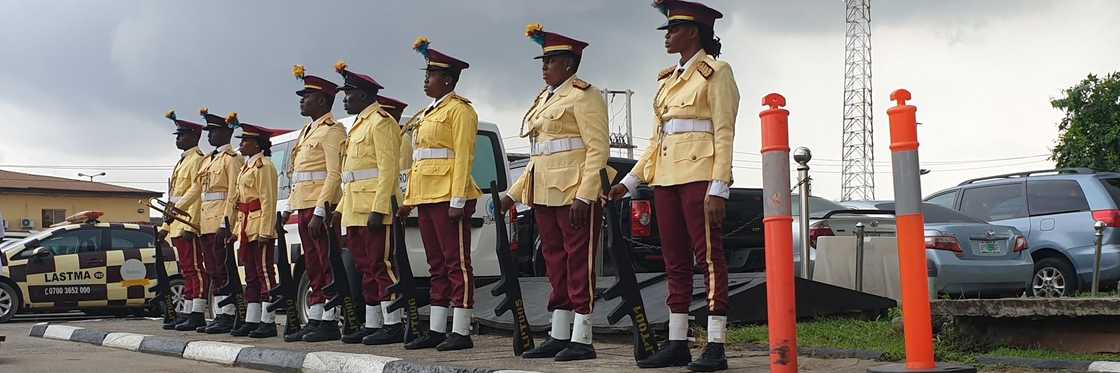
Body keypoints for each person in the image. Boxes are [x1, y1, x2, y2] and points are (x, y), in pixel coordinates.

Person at [608, 1, 738, 371]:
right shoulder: (667, 80)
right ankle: (677, 341)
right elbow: (657, 141)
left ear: (693, 32)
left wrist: (719, 186)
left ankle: (716, 344)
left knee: (710, 257)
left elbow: (725, 133)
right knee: (674, 261)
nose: (667, 36)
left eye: (673, 30)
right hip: (664, 179)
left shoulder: (717, 73)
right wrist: (629, 181)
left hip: (699, 178)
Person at [500, 23, 608, 362]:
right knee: (554, 263)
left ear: (570, 65)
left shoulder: (584, 95)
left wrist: (585, 195)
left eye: (551, 61)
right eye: (543, 62)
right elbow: (539, 157)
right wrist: (512, 194)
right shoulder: (544, 100)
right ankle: (559, 333)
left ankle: (583, 336)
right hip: (544, 192)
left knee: (579, 263)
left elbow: (598, 150)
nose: (544, 67)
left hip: (573, 192)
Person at [400, 36, 480, 351]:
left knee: (456, 262)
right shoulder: (426, 113)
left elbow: (464, 156)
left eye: (430, 75)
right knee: (436, 264)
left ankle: (460, 331)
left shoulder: (460, 111)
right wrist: (409, 200)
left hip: (449, 195)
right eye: (425, 74)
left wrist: (458, 199)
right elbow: (418, 161)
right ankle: (436, 328)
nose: (425, 80)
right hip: (427, 196)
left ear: (447, 80)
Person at [331, 61, 405, 345]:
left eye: (348, 94)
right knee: (364, 268)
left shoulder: (381, 122)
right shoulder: (359, 124)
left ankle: (393, 323)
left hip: (373, 209)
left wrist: (380, 207)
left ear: (362, 95)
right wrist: (339, 210)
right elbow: (351, 176)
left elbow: (388, 169)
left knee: (381, 265)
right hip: (353, 208)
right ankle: (373, 323)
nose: (345, 100)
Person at [285, 64, 346, 343]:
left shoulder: (332, 130)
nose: (301, 100)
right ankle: (318, 317)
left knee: (326, 262)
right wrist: (289, 208)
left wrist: (321, 210)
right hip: (304, 205)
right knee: (312, 265)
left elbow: (334, 173)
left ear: (322, 100)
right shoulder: (307, 131)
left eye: (307, 95)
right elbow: (298, 174)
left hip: (320, 207)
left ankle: (330, 320)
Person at [176, 107, 245, 334]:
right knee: (213, 270)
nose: (209, 136)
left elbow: (233, 192)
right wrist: (176, 208)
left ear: (226, 133)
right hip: (206, 220)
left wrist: (227, 223)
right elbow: (196, 188)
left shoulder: (232, 159)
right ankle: (219, 313)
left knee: (223, 269)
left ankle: (229, 314)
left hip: (219, 221)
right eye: (208, 132)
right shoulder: (209, 160)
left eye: (214, 131)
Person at [226, 117, 287, 338]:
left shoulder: (265, 166)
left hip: (259, 225)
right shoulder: (246, 167)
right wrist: (234, 232)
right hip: (245, 225)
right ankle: (252, 319)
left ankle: (268, 320)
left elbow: (268, 200)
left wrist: (266, 230)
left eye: (245, 141)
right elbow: (239, 202)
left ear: (257, 144)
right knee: (250, 275)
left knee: (264, 273)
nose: (241, 145)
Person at [160, 111, 207, 332]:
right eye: (177, 135)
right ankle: (188, 312)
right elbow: (173, 199)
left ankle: (197, 312)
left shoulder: (198, 160)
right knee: (186, 270)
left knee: (196, 269)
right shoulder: (182, 161)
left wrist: (190, 225)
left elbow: (197, 195)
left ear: (194, 137)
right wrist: (164, 226)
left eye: (182, 135)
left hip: (187, 223)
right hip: (176, 222)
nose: (178, 139)